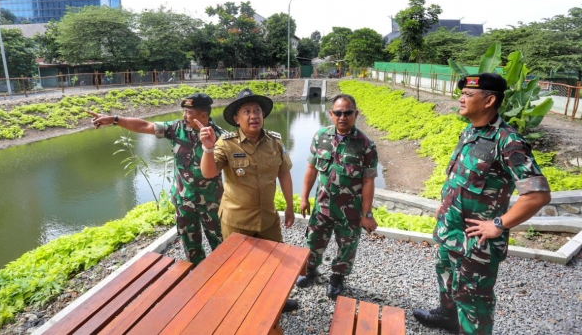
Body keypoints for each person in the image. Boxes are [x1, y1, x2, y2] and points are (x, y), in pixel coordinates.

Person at [413, 73, 551, 335]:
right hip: (450, 230)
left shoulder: (508, 141)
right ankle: (447, 316)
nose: (461, 98)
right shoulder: (470, 131)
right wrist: (445, 206)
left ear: (489, 101)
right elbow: (460, 178)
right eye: (462, 93)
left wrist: (498, 224)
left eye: (468, 94)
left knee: (474, 300)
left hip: (476, 243)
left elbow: (538, 195)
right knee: (446, 277)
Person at [86, 93, 227, 267]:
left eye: (189, 113)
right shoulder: (177, 128)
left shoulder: (221, 137)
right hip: (184, 201)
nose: (184, 116)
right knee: (191, 248)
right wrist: (115, 119)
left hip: (212, 202)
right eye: (184, 111)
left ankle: (224, 277)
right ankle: (199, 278)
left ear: (203, 115)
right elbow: (145, 126)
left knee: (221, 243)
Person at [196, 88, 298, 312]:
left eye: (257, 111)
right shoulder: (226, 143)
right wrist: (208, 148)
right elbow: (208, 172)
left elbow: (284, 174)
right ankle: (243, 306)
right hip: (237, 220)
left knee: (275, 264)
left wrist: (290, 207)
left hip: (268, 218)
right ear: (236, 118)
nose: (254, 116)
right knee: (238, 266)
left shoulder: (275, 142)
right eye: (247, 111)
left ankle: (276, 301)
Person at [295, 94, 379, 299]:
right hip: (322, 206)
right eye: (338, 113)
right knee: (314, 240)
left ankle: (337, 277)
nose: (343, 117)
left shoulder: (365, 145)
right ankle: (311, 271)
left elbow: (368, 181)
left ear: (355, 114)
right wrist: (304, 198)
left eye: (348, 113)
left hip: (350, 210)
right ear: (331, 114)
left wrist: (367, 214)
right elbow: (311, 168)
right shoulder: (320, 137)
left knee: (347, 245)